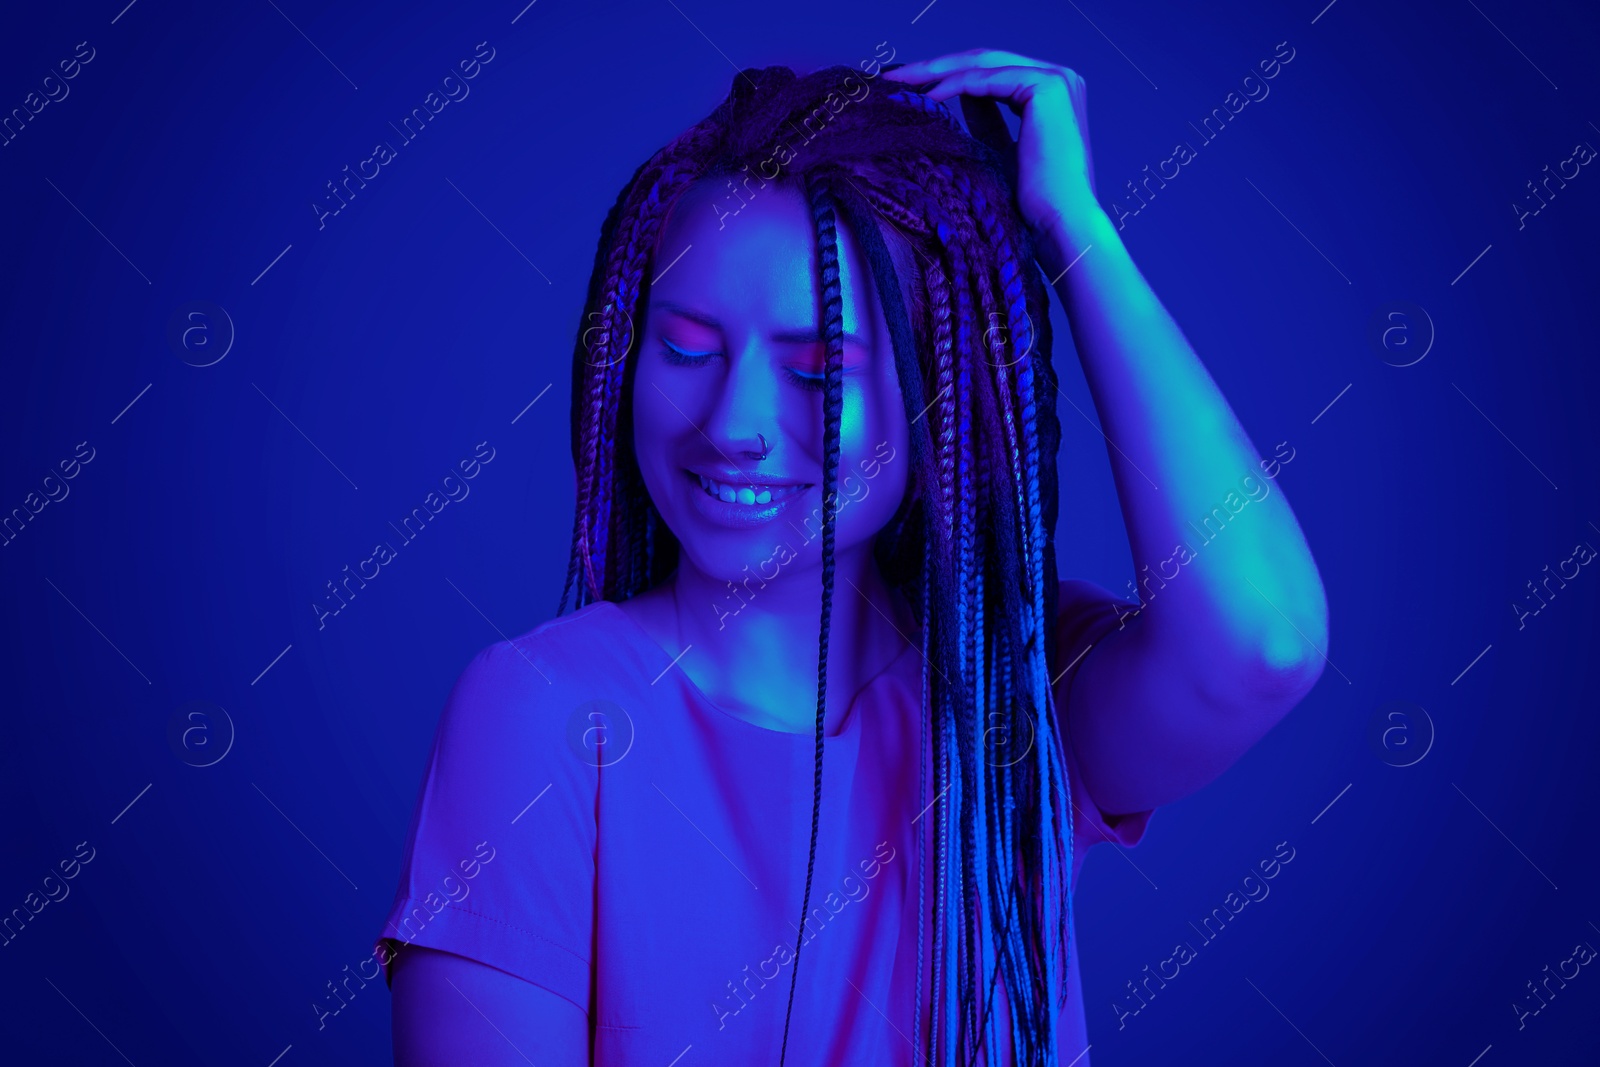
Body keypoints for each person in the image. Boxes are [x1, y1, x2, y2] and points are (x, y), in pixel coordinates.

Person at [376, 47, 1328, 1067]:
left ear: (938, 397)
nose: (733, 422)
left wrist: (1074, 230)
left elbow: (1260, 642)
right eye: (686, 349)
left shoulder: (1010, 693)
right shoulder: (540, 712)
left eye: (818, 368)